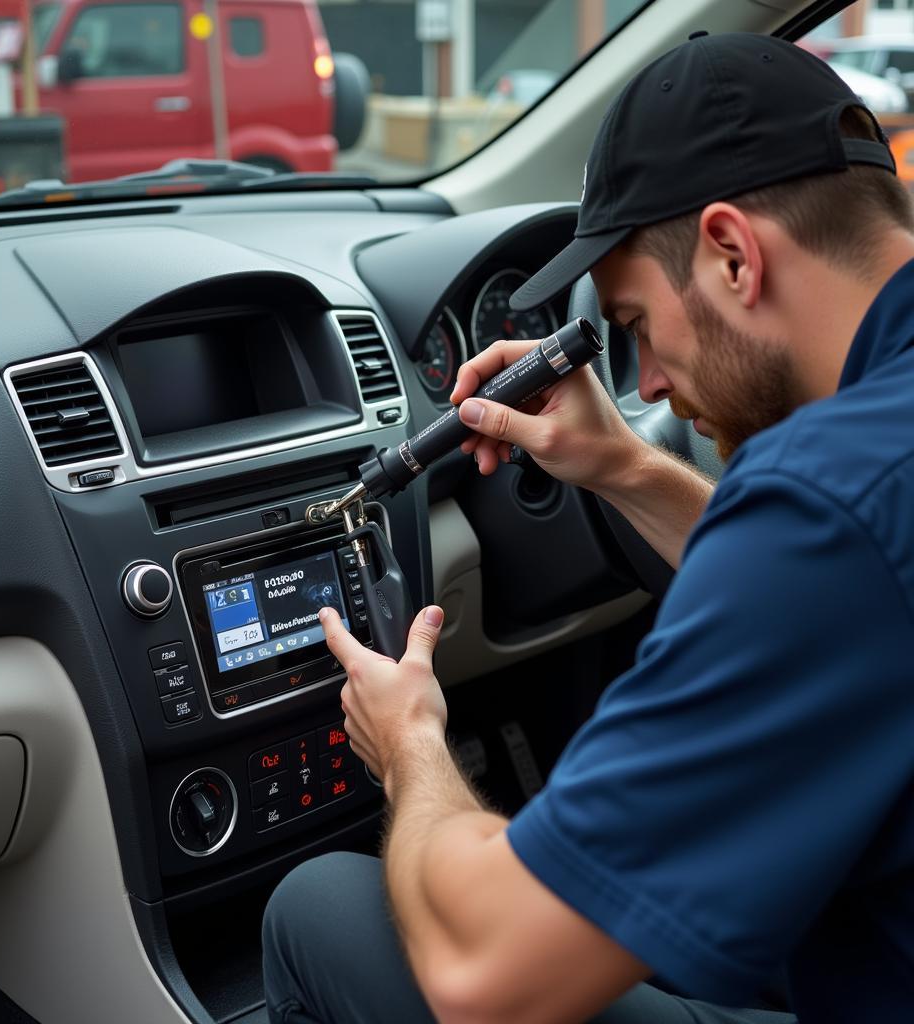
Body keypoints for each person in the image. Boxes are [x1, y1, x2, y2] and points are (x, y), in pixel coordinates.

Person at [263, 31, 914, 1023]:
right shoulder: (862, 488)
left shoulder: (824, 497)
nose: (644, 382)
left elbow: (488, 975)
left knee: (320, 909)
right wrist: (624, 468)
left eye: (637, 323)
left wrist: (412, 747)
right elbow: (861, 605)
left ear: (732, 254)